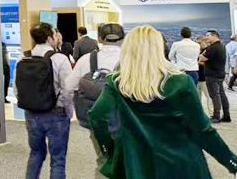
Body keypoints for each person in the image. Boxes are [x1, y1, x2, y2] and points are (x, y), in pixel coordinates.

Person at [89, 25, 237, 178]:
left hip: (140, 165)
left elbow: (97, 117)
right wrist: (231, 162)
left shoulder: (117, 84)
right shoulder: (180, 82)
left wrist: (111, 151)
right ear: (159, 49)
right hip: (183, 164)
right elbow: (202, 129)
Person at [67, 23, 124, 179]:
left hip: (96, 121)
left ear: (100, 38)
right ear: (123, 39)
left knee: (104, 160)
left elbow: (69, 86)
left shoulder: (86, 59)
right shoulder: (131, 59)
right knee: (128, 161)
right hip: (126, 120)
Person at [16, 22, 73, 179]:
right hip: (56, 113)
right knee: (58, 159)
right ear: (49, 38)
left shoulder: (23, 57)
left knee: (35, 153)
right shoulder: (59, 59)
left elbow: (17, 89)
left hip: (31, 113)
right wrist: (67, 110)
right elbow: (67, 89)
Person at [201, 30, 231, 123]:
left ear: (215, 36)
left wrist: (202, 54)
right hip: (220, 73)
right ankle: (226, 115)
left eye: (208, 35)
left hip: (212, 75)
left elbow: (202, 58)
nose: (206, 37)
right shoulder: (222, 46)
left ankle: (216, 116)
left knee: (214, 95)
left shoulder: (212, 48)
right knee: (221, 94)